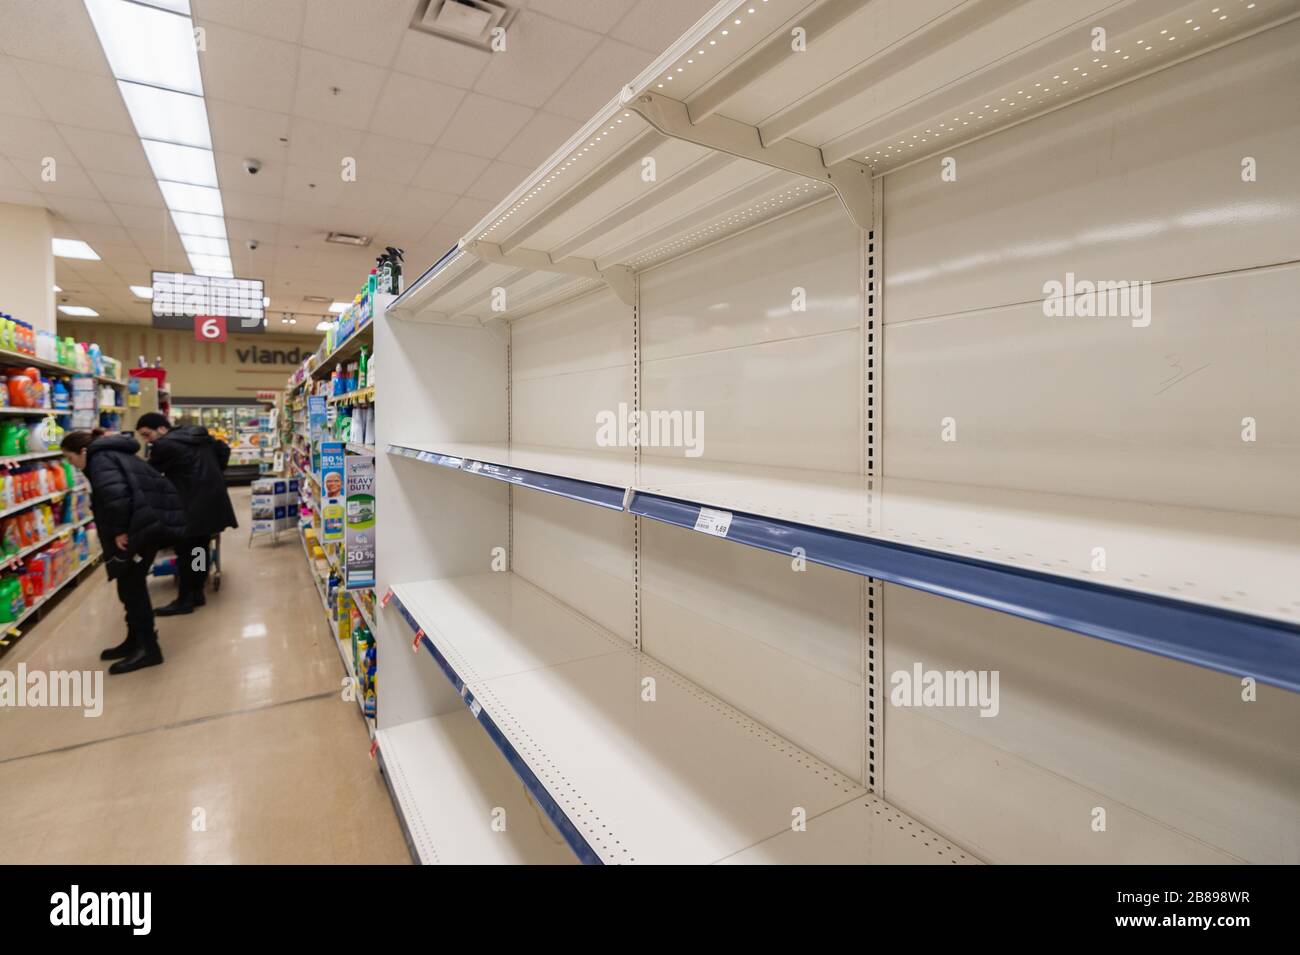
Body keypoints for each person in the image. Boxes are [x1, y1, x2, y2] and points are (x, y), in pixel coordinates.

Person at [61, 429, 188, 674]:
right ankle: (135, 640)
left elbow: (116, 495)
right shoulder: (111, 454)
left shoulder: (100, 460)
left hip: (138, 528)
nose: (71, 465)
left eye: (70, 458)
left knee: (133, 587)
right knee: (128, 585)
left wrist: (119, 530)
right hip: (145, 522)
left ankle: (149, 649)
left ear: (83, 451)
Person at [134, 413, 237, 615]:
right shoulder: (199, 436)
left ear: (161, 428)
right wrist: (215, 471)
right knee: (199, 549)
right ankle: (197, 592)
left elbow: (150, 474)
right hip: (212, 502)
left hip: (189, 504)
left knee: (185, 552)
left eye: (147, 435)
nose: (147, 440)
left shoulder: (165, 445)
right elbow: (223, 449)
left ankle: (185, 599)